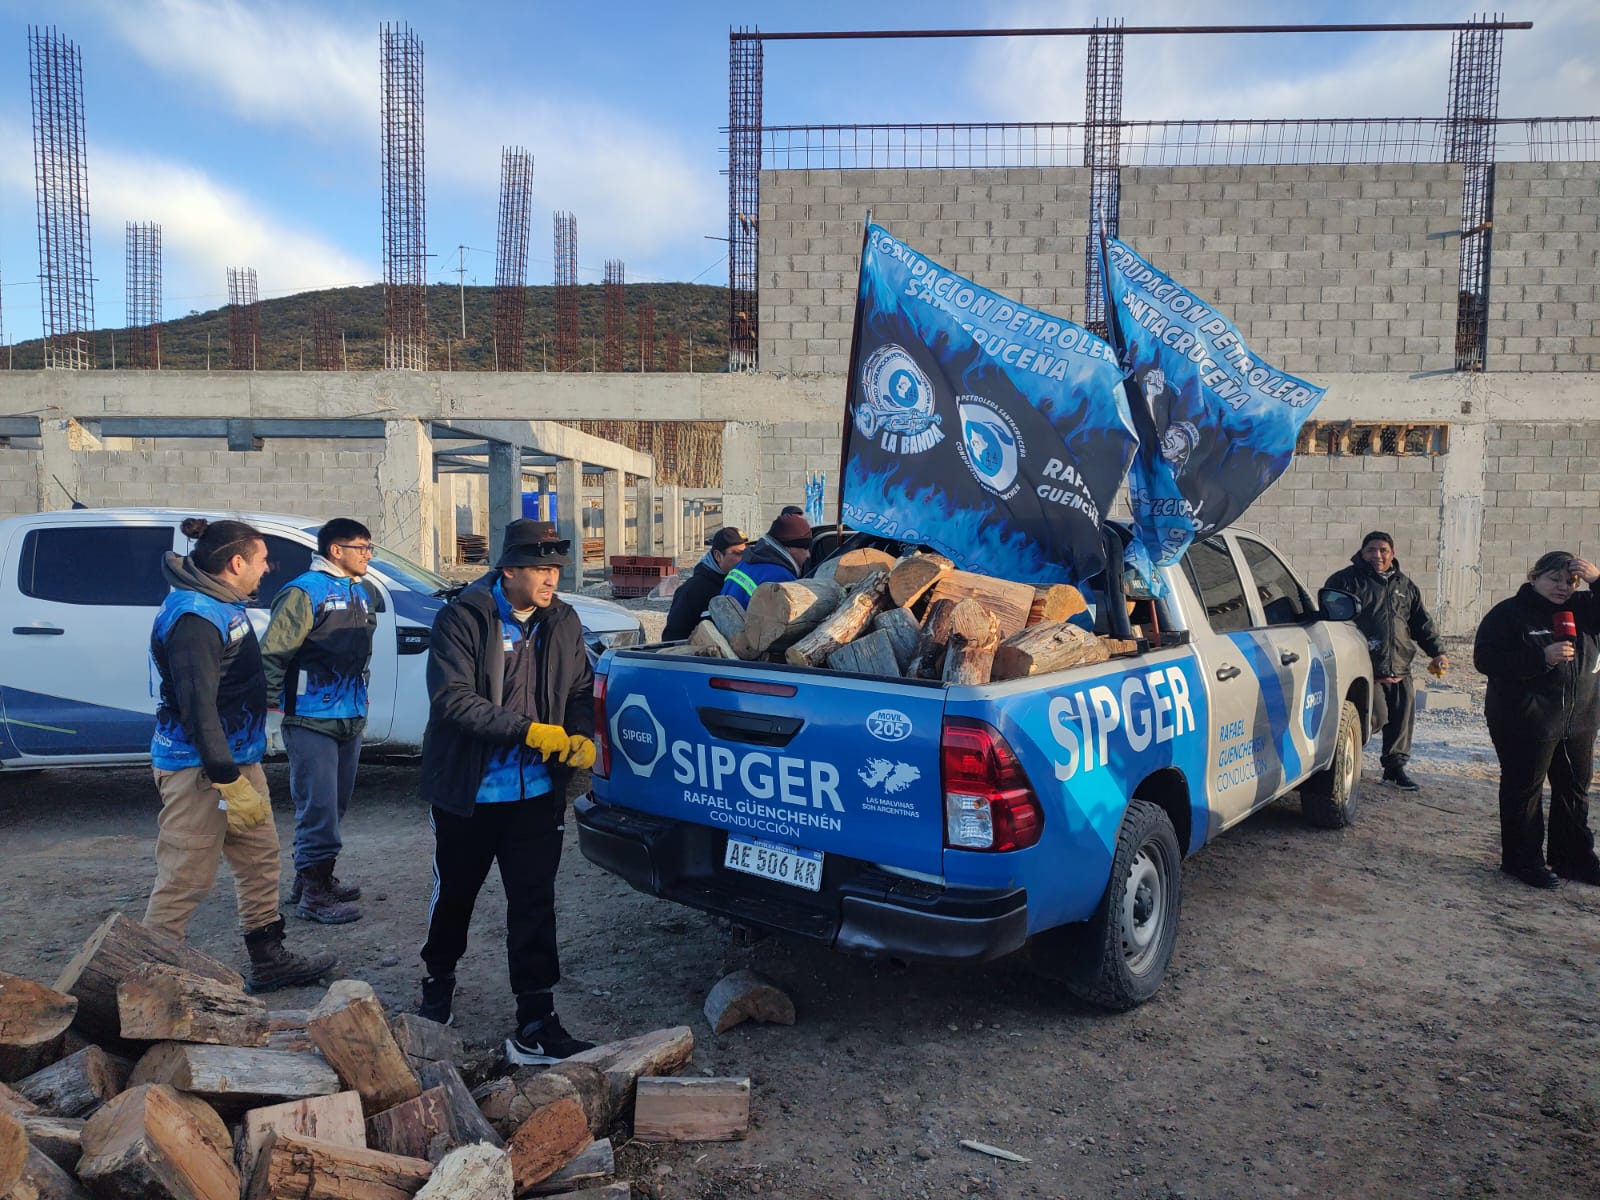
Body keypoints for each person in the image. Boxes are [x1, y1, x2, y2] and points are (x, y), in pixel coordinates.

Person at [416, 519, 597, 1061]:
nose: (550, 580)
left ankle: (536, 1018)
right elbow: (452, 699)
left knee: (535, 903)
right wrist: (529, 731)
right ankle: (437, 985)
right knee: (455, 894)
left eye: (555, 570)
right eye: (540, 569)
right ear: (509, 569)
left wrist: (582, 735)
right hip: (470, 793)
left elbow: (582, 687)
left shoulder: (563, 620)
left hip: (537, 794)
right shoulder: (463, 618)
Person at [144, 517, 336, 992]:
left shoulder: (220, 602)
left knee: (260, 860)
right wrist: (227, 779)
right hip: (200, 771)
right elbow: (196, 708)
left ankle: (268, 958)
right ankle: (143, 979)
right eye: (262, 559)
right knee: (185, 876)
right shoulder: (194, 617)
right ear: (235, 563)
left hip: (234, 763)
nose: (267, 568)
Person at [261, 518, 378, 925]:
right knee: (319, 806)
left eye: (369, 547)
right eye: (360, 547)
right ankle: (315, 895)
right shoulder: (302, 593)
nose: (367, 554)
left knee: (335, 804)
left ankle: (312, 878)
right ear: (335, 551)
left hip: (349, 716)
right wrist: (273, 714)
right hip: (310, 718)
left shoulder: (361, 593)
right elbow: (273, 655)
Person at [1474, 551, 1600, 890]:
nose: (1563, 587)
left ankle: (1572, 858)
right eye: (1554, 579)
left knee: (1574, 790)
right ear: (1534, 577)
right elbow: (1485, 659)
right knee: (1524, 790)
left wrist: (1597, 581)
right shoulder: (1508, 614)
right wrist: (1540, 657)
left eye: (1570, 581)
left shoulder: (1586, 608)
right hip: (1525, 720)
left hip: (1578, 720)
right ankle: (1522, 861)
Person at [1324, 531, 1448, 791]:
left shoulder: (1404, 585)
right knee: (1374, 717)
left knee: (1401, 720)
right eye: (1371, 550)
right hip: (1364, 665)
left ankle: (1394, 769)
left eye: (1383, 550)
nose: (1377, 555)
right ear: (1362, 552)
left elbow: (1420, 622)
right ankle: (1344, 760)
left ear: (1392, 554)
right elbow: (1331, 617)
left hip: (1399, 665)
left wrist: (1437, 651)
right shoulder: (1345, 581)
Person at [661, 526, 747, 641]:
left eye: (746, 552)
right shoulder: (693, 590)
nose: (744, 559)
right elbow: (672, 638)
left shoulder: (741, 583)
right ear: (718, 556)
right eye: (737, 553)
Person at [720, 513, 813, 607]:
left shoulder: (743, 564)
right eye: (805, 548)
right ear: (790, 548)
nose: (808, 555)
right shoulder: (781, 580)